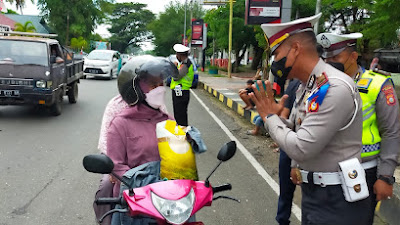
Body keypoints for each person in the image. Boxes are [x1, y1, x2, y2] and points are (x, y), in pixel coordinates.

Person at [251, 13, 370, 225]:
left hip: (337, 201)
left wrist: (269, 117)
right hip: (316, 195)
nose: (274, 62)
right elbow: (305, 131)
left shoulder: (334, 88)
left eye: (276, 53)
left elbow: (301, 147)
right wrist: (279, 118)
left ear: (295, 49)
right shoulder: (309, 86)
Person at [317, 32, 400, 225]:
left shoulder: (378, 84)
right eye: (326, 58)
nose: (330, 62)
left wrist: (386, 176)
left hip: (361, 171)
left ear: (353, 57)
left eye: (336, 57)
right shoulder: (322, 84)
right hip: (325, 171)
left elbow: (392, 131)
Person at [106, 58, 178, 224]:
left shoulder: (169, 122)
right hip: (134, 204)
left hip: (166, 200)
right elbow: (116, 167)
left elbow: (178, 164)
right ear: (137, 89)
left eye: (162, 84)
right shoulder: (120, 124)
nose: (160, 89)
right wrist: (147, 187)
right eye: (153, 85)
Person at [275, 79, 300, 225]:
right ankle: (282, 220)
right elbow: (285, 113)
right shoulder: (295, 85)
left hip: (313, 150)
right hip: (290, 146)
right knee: (285, 190)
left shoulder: (327, 86)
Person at [170, 44, 196, 126]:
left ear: (180, 55)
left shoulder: (186, 65)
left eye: (177, 54)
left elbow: (176, 77)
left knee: (180, 117)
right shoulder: (183, 64)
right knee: (179, 116)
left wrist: (174, 67)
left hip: (181, 93)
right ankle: (182, 134)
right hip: (180, 92)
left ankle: (183, 135)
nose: (176, 56)